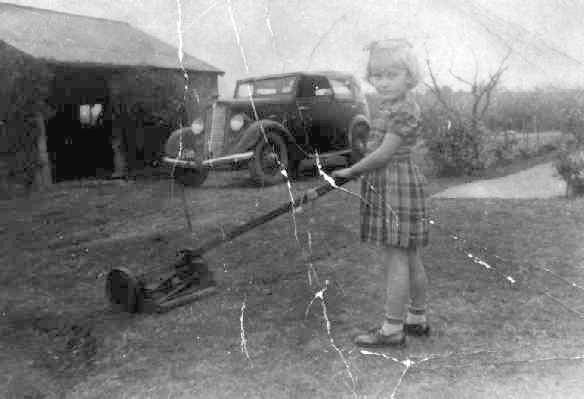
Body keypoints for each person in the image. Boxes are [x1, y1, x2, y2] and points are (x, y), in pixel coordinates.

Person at [332, 39, 430, 347]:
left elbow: (384, 154)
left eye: (392, 74)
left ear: (409, 75)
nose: (383, 82)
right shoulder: (394, 106)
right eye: (377, 75)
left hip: (395, 183)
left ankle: (391, 329)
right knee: (409, 254)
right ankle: (416, 317)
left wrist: (352, 170)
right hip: (394, 182)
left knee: (395, 257)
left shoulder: (403, 109)